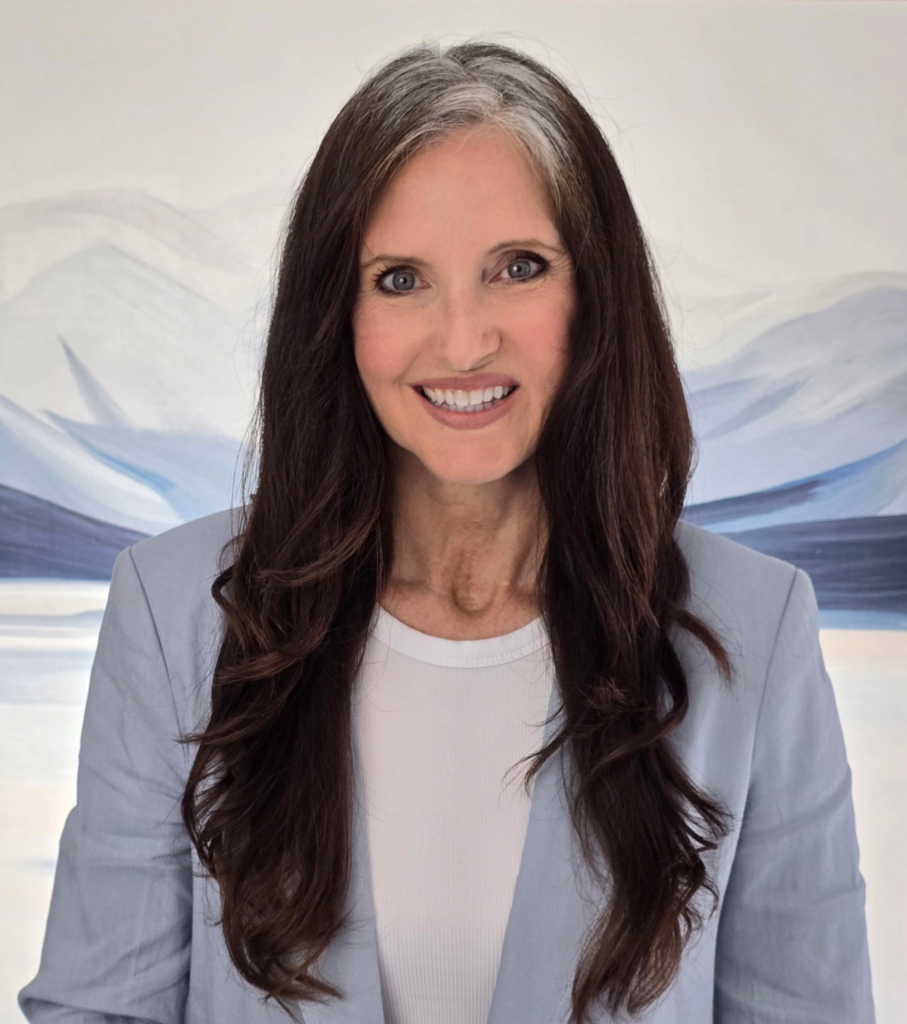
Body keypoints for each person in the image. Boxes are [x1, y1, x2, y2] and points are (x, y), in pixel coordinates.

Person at [19, 40, 874, 1024]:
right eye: (399, 279)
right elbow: (101, 1011)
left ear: (593, 293)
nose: (463, 339)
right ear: (333, 315)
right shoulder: (176, 616)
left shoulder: (754, 631)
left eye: (517, 267)